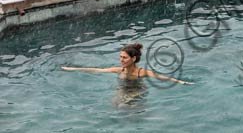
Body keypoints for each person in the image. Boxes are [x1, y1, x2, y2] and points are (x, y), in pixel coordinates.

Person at [61, 43, 194, 85]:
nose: (121, 60)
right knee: (116, 106)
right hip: (123, 89)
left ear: (134, 59)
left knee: (124, 106)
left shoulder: (141, 72)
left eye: (124, 57)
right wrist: (73, 68)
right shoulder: (118, 70)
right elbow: (96, 70)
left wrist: (181, 82)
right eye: (120, 57)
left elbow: (162, 77)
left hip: (137, 91)